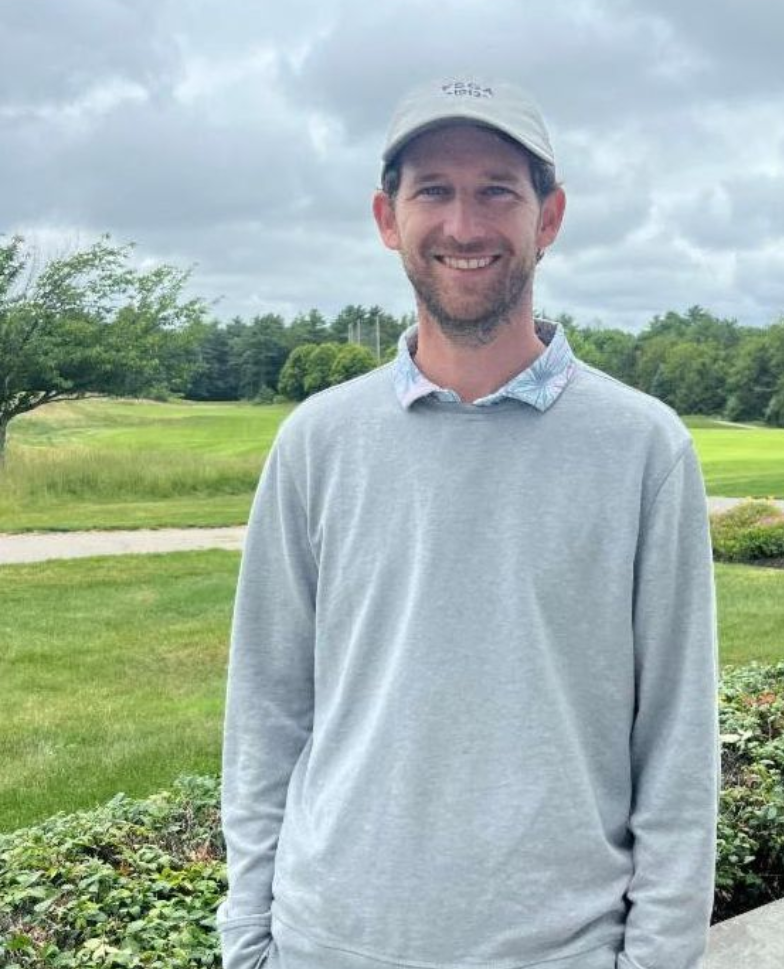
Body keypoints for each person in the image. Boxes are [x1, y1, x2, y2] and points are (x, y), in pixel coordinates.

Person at [217, 77, 720, 969]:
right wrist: (248, 940)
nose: (463, 224)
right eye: (433, 191)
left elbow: (676, 742)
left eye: (496, 190)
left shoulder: (644, 449)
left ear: (548, 218)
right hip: (326, 942)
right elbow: (267, 710)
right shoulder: (316, 442)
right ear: (387, 217)